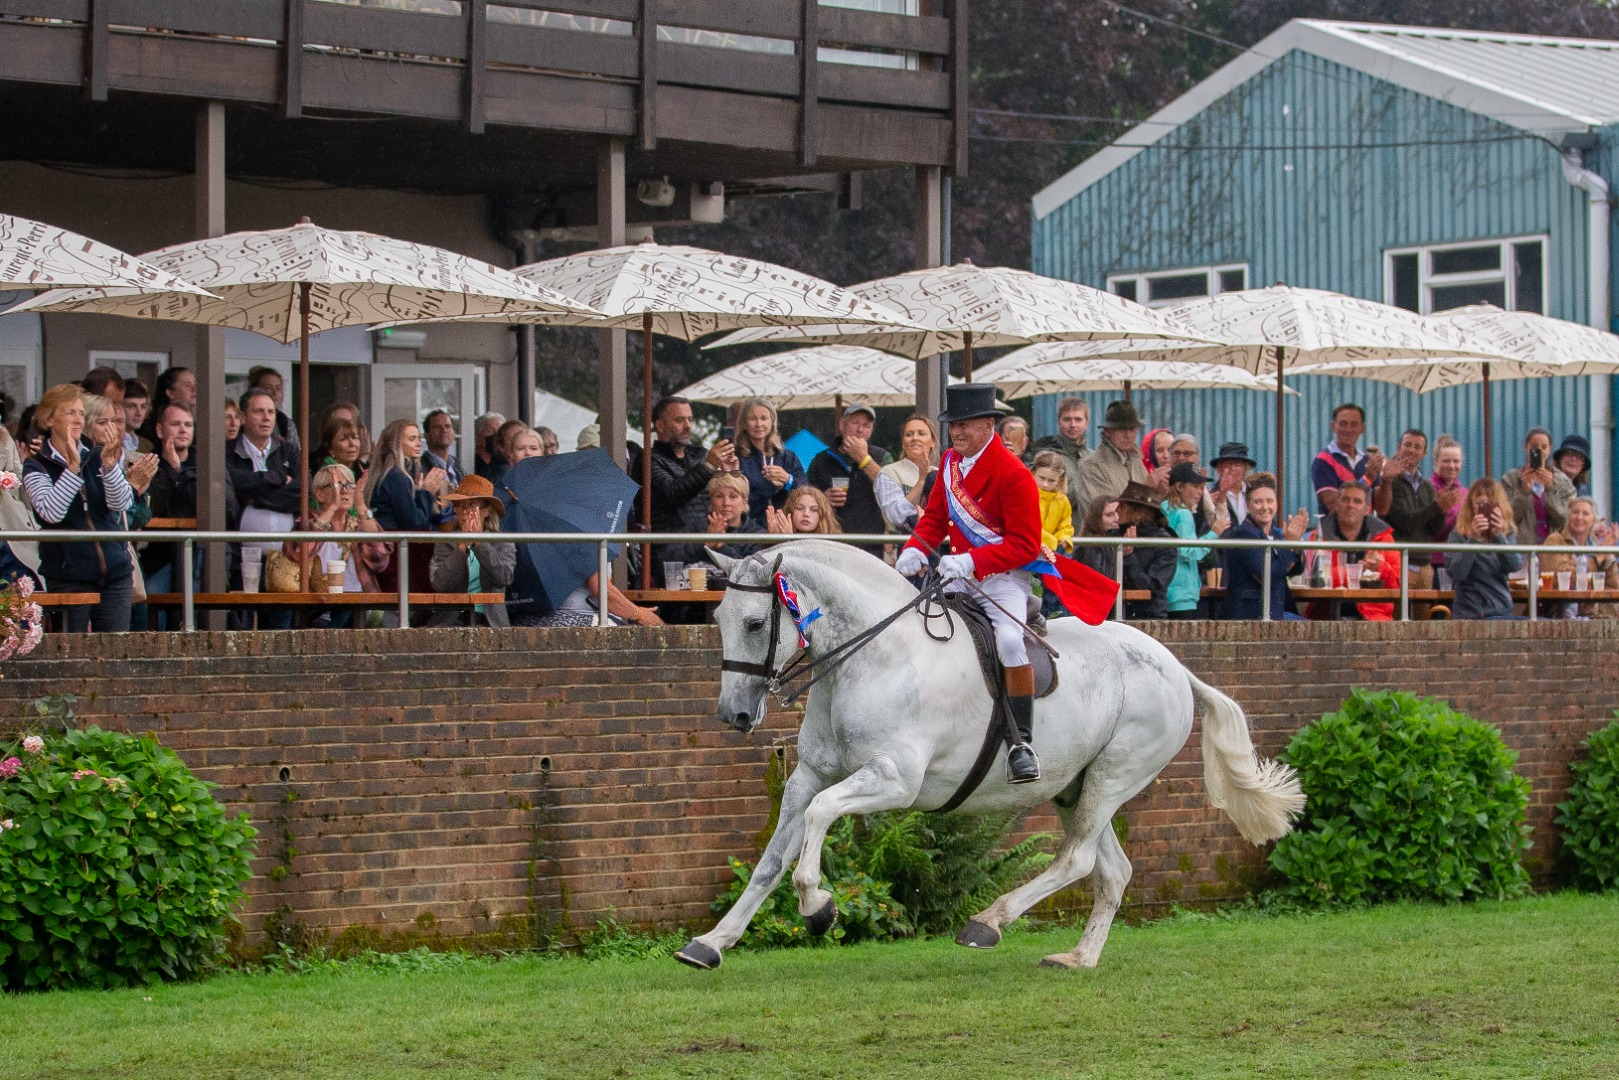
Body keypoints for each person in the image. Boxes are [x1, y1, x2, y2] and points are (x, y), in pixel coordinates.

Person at [895, 384, 1044, 783]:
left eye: (963, 425)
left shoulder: (1014, 473)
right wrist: (915, 548)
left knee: (1009, 641)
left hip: (1002, 578)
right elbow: (934, 519)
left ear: (987, 424)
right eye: (952, 425)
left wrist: (972, 560)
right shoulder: (949, 462)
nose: (956, 432)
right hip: (956, 574)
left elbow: (1026, 545)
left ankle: (1021, 743)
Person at [21, 384, 137, 632]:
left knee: (116, 649)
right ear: (49, 419)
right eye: (70, 412)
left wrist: (109, 466)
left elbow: (121, 503)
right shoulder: (36, 465)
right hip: (69, 576)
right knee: (71, 649)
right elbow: (51, 513)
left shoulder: (97, 455)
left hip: (115, 572)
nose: (77, 420)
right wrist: (72, 470)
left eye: (81, 413)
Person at [228, 388, 303, 629]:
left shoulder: (289, 451)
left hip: (284, 560)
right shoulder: (227, 451)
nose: (266, 417)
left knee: (279, 633)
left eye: (271, 412)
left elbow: (305, 492)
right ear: (242, 416)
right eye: (259, 411)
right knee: (241, 632)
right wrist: (277, 478)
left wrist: (257, 500)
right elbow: (233, 481)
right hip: (241, 559)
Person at [281, 463, 392, 624]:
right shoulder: (308, 524)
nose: (345, 491)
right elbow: (297, 553)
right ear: (320, 494)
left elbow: (380, 555)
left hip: (357, 606)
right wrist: (332, 508)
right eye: (337, 485)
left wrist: (361, 506)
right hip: (317, 607)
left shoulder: (357, 526)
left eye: (350, 486)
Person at [425, 474, 514, 627]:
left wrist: (479, 543)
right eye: (460, 505)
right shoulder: (446, 541)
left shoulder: (502, 541)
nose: (465, 511)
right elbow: (440, 585)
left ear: (487, 511)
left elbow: (503, 578)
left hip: (489, 622)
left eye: (472, 505)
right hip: (452, 620)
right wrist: (461, 548)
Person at [1222, 472, 1309, 621]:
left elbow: (1294, 570)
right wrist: (1288, 545)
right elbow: (1266, 575)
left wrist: (1296, 545)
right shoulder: (1244, 533)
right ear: (1247, 505)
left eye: (1270, 501)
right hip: (1250, 616)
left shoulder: (1275, 533)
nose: (1265, 507)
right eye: (1258, 502)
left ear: (1276, 503)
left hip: (1276, 612)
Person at [807, 403, 892, 545]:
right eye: (855, 423)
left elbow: (891, 489)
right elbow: (804, 496)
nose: (860, 429)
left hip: (871, 542)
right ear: (842, 425)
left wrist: (863, 458)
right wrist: (822, 498)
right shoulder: (822, 459)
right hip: (830, 541)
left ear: (871, 431)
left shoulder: (882, 456)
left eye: (866, 426)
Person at [1314, 481, 1399, 621]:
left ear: (1367, 509)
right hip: (1325, 614)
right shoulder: (1320, 534)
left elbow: (1398, 584)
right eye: (1345, 500)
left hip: (1374, 616)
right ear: (1337, 505)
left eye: (1357, 501)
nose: (1350, 505)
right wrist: (1356, 572)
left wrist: (1381, 569)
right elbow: (1315, 578)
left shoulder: (1383, 536)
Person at [141, 403, 199, 607]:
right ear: (159, 430)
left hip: (197, 556)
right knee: (146, 597)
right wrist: (172, 470)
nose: (183, 430)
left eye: (188, 425)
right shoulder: (147, 463)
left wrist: (179, 472)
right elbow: (150, 508)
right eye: (175, 424)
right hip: (157, 555)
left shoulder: (205, 463)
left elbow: (216, 505)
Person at [1447, 478, 1523, 620]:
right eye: (1480, 504)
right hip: (1470, 611)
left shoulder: (1507, 532)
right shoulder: (1459, 534)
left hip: (1500, 607)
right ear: (1471, 505)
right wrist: (1473, 539)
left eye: (1491, 504)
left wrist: (1498, 536)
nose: (1485, 508)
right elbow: (1457, 573)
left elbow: (1514, 565)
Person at [732, 397, 806, 527]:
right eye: (753, 419)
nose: (759, 424)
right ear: (744, 423)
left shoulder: (787, 456)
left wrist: (788, 480)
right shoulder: (736, 457)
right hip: (750, 528)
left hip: (785, 528)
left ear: (772, 421)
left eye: (764, 418)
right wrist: (768, 488)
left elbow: (806, 491)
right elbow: (734, 497)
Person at [1160, 463, 1218, 619]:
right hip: (1182, 594)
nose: (1200, 492)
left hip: (1166, 589)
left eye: (1201, 488)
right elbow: (1188, 552)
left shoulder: (1163, 509)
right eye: (1195, 486)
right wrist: (1214, 534)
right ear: (1179, 486)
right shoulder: (1183, 514)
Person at [1073, 400, 1149, 517]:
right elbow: (1108, 515)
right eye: (1122, 429)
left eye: (1132, 429)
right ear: (1107, 431)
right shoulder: (1092, 466)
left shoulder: (1136, 462)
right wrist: (1149, 488)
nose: (1128, 435)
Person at [1501, 428, 1575, 544]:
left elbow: (1564, 521)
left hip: (1553, 549)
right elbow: (1507, 519)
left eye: (1544, 447)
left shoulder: (1562, 481)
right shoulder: (1511, 478)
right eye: (1534, 446)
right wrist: (1523, 491)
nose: (1539, 451)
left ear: (1550, 450)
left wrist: (1550, 489)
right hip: (1522, 547)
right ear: (1526, 447)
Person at [1114, 481, 1175, 620]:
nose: (1117, 511)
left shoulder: (1164, 543)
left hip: (1150, 615)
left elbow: (1152, 588)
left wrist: (1128, 557)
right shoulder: (1116, 535)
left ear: (1133, 511)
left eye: (1121, 506)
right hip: (1119, 609)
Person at [1030, 396, 1090, 534]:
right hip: (1055, 537)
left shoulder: (1092, 458)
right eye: (1067, 419)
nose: (1073, 425)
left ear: (1086, 423)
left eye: (1078, 419)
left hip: (1090, 538)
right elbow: (1041, 498)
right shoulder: (1048, 457)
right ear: (1059, 421)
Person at [879, 415, 938, 528]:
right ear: (903, 443)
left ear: (933, 441)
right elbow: (896, 517)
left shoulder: (941, 474)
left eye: (921, 433)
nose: (915, 438)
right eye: (909, 434)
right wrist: (922, 479)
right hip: (904, 538)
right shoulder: (889, 473)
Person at [1312, 403, 1371, 516]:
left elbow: (1382, 508)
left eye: (1354, 424)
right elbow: (1335, 506)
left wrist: (1387, 481)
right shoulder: (1323, 460)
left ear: (1363, 428)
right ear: (1333, 426)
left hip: (1367, 526)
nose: (1348, 429)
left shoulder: (1367, 461)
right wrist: (1368, 478)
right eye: (1343, 424)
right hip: (1334, 527)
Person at [1428, 436, 1467, 582]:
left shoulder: (1465, 493)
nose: (1451, 466)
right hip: (1435, 562)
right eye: (1446, 461)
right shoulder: (1426, 489)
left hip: (1461, 562)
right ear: (1436, 461)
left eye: (1456, 461)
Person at [1030, 451, 1074, 555]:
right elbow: (1027, 526)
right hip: (1027, 548)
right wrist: (1052, 540)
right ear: (1033, 473)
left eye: (1051, 480)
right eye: (1042, 478)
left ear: (1059, 480)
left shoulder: (1062, 500)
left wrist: (1064, 537)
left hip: (1050, 551)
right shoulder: (1025, 494)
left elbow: (1065, 525)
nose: (1045, 484)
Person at [247, 366, 299, 451]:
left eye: (278, 388)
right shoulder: (240, 420)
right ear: (254, 390)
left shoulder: (285, 423)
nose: (274, 393)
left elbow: (296, 455)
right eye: (268, 388)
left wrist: (284, 449)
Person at [1072, 496, 1122, 583]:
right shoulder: (1090, 546)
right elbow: (1097, 583)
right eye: (1109, 515)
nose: (1117, 519)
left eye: (1119, 514)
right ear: (1097, 519)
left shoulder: (1127, 538)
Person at [1208, 441, 1254, 528]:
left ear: (1245, 468)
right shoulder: (1211, 496)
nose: (1232, 468)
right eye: (1228, 464)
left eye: (1237, 464)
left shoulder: (1254, 493)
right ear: (1219, 468)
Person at [765, 485, 842, 535]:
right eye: (799, 508)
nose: (806, 514)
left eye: (814, 510)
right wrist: (773, 541)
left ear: (823, 514)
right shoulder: (778, 536)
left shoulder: (833, 544)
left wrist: (788, 540)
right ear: (790, 511)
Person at [420, 409, 462, 488]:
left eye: (448, 426)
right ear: (426, 435)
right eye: (437, 427)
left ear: (454, 433)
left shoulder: (457, 465)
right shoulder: (420, 468)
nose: (444, 430)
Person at [120, 379, 153, 454]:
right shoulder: (105, 442)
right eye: (131, 406)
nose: (139, 413)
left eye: (143, 406)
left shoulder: (147, 445)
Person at [472, 412, 506, 480]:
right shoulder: (472, 465)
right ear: (478, 438)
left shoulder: (505, 465)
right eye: (490, 431)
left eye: (500, 432)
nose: (497, 435)